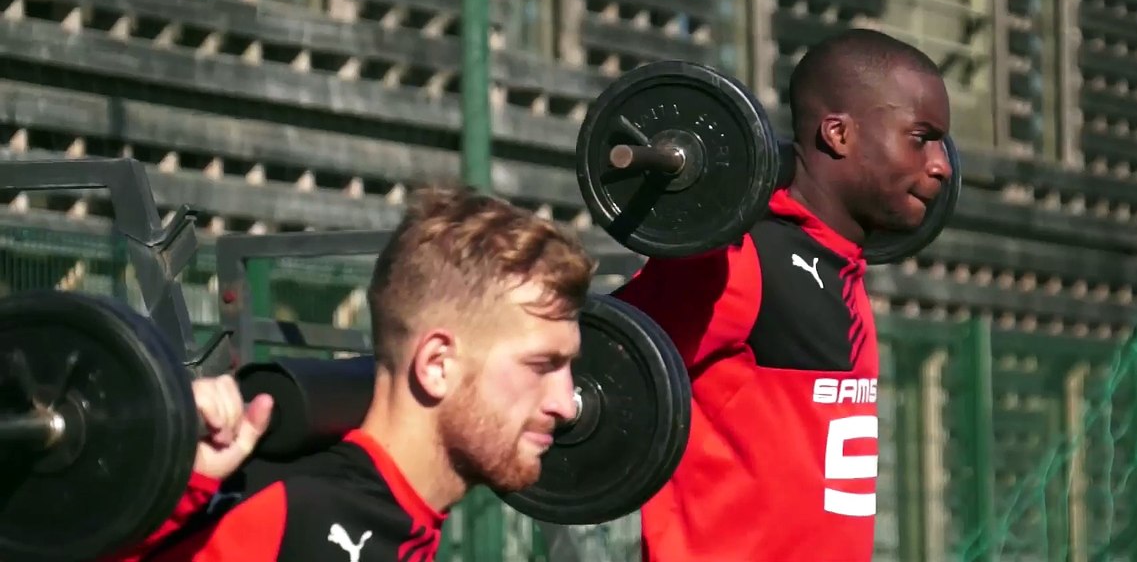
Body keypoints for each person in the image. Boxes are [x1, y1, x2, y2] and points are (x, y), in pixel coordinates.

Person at [105, 185, 595, 562]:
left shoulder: (408, 520)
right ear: (436, 365)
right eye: (543, 365)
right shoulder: (292, 513)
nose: (565, 401)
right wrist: (174, 495)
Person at [611, 28, 954, 562]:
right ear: (838, 134)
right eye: (921, 137)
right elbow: (596, 359)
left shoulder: (842, 269)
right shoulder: (738, 260)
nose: (942, 165)